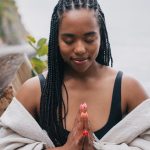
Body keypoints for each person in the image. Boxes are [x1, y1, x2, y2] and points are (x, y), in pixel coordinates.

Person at [1, 0, 149, 149]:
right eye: (69, 40)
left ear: (101, 36)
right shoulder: (35, 90)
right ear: (56, 39)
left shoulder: (128, 89)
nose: (80, 49)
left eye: (89, 39)